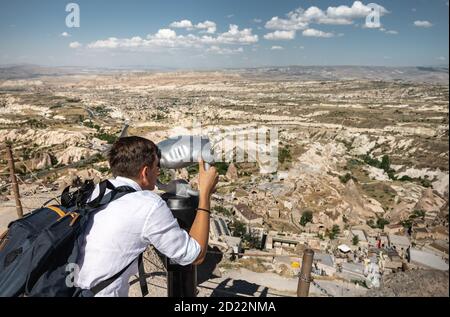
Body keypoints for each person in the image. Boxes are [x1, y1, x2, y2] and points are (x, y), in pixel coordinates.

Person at [75, 136, 219, 297]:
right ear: (145, 172)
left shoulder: (96, 193)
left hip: (71, 290)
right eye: (156, 166)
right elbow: (195, 255)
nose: (158, 171)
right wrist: (205, 194)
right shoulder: (148, 206)